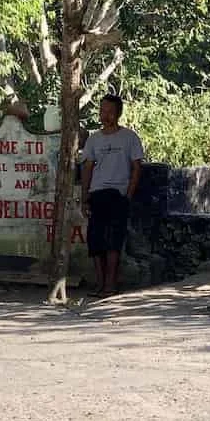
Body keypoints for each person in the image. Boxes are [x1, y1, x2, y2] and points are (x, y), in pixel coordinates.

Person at [81, 95, 144, 297]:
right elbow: (87, 168)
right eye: (102, 111)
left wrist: (129, 194)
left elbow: (136, 168)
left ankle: (111, 284)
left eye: (109, 111)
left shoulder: (129, 137)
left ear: (118, 113)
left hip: (118, 194)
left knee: (114, 240)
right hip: (97, 194)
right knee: (95, 240)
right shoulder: (94, 139)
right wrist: (84, 197)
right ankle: (99, 283)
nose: (105, 115)